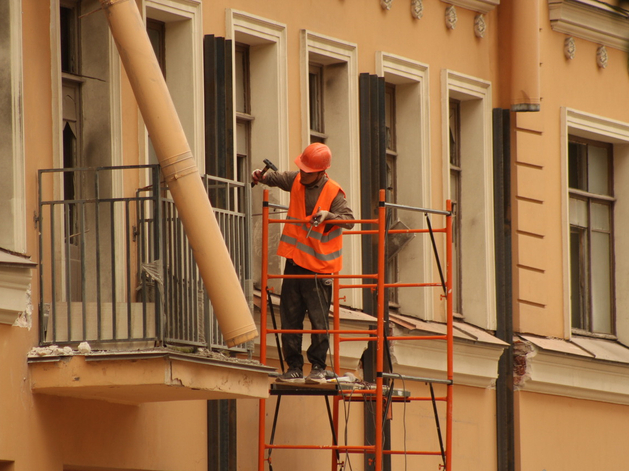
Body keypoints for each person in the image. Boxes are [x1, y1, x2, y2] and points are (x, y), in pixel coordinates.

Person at [252, 143, 354, 383]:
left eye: (308, 170)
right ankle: (294, 367)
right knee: (290, 317)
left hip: (319, 267)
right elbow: (277, 177)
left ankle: (318, 367)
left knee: (318, 321)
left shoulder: (333, 192)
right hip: (295, 262)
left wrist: (329, 216)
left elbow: (349, 220)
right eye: (302, 168)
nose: (303, 173)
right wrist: (262, 176)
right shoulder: (297, 179)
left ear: (321, 171)